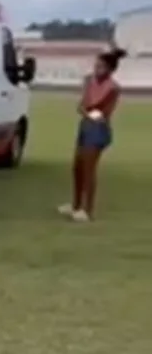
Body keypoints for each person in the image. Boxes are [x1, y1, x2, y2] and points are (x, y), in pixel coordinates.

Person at [59, 48, 126, 223]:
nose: (97, 70)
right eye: (96, 66)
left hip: (98, 129)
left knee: (89, 169)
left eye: (101, 67)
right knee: (77, 167)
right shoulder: (89, 81)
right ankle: (75, 205)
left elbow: (102, 111)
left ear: (110, 70)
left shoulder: (113, 88)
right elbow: (82, 105)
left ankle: (87, 210)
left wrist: (87, 110)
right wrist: (86, 110)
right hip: (86, 125)